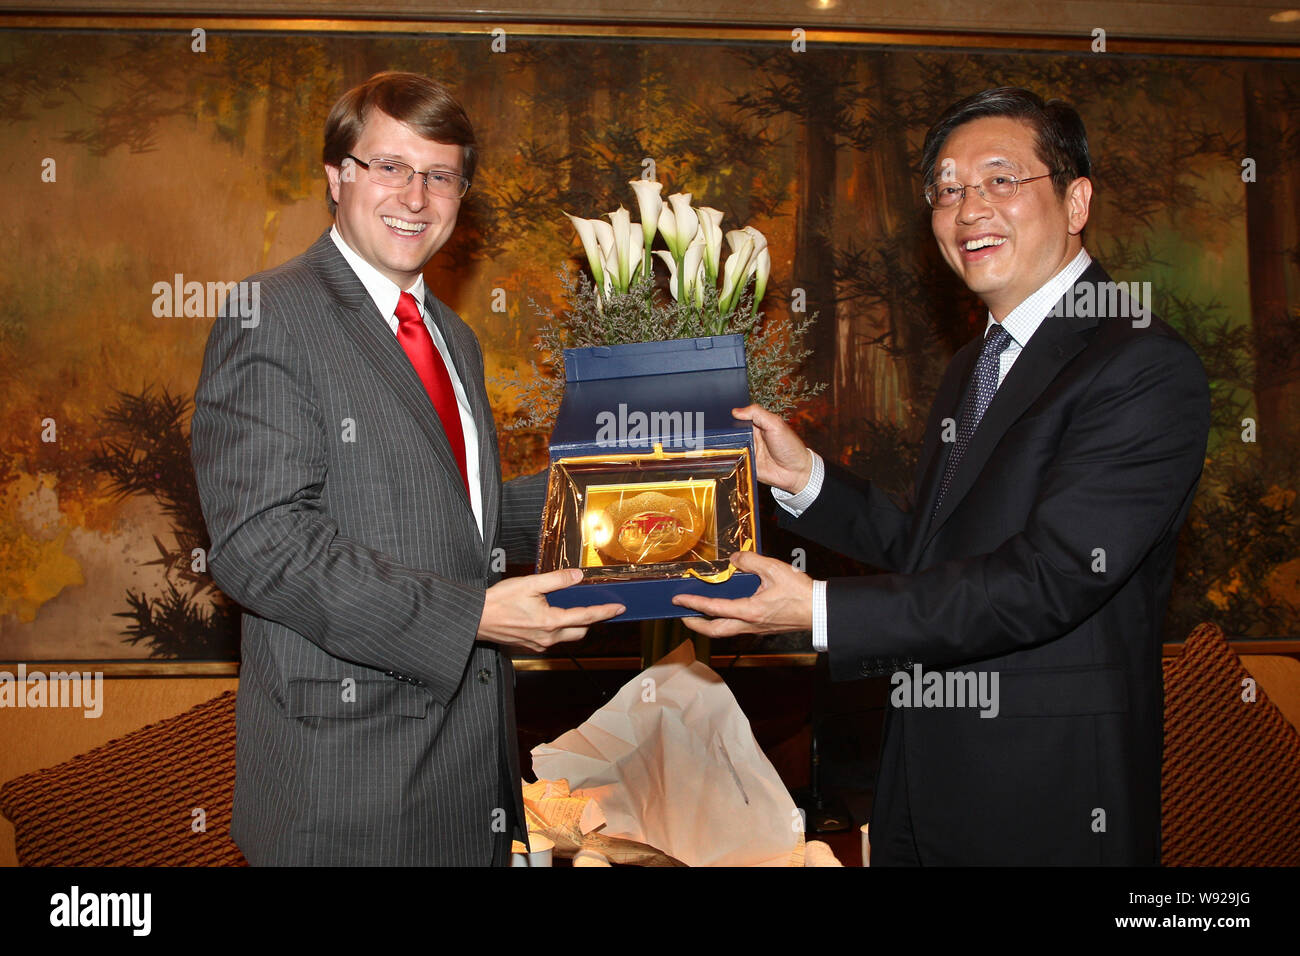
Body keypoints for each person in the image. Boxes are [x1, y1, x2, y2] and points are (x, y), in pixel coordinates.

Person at [674, 87, 1209, 865]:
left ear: (1076, 200)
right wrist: (808, 480)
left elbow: (1049, 578)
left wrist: (819, 609)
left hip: (1047, 801)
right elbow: (933, 552)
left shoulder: (1140, 364)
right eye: (948, 190)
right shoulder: (977, 363)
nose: (969, 210)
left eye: (1000, 181)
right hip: (922, 778)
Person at [191, 72, 623, 866]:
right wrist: (475, 619)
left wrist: (619, 488)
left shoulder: (453, 338)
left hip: (471, 783)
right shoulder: (271, 314)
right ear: (337, 175)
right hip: (349, 797)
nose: (415, 197)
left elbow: (465, 519)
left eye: (440, 175)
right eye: (389, 167)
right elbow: (262, 545)